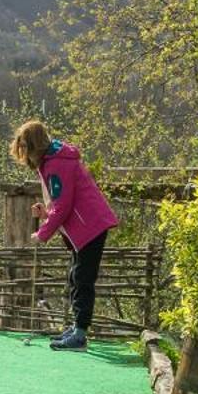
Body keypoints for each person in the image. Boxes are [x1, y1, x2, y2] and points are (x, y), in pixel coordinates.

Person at [9, 120, 119, 350]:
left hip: (91, 226)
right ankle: (77, 326)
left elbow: (65, 206)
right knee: (75, 277)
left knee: (82, 279)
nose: (24, 156)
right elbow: (63, 204)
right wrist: (46, 212)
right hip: (86, 226)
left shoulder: (57, 164)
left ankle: (80, 334)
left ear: (34, 146)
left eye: (25, 149)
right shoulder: (54, 160)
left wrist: (42, 233)